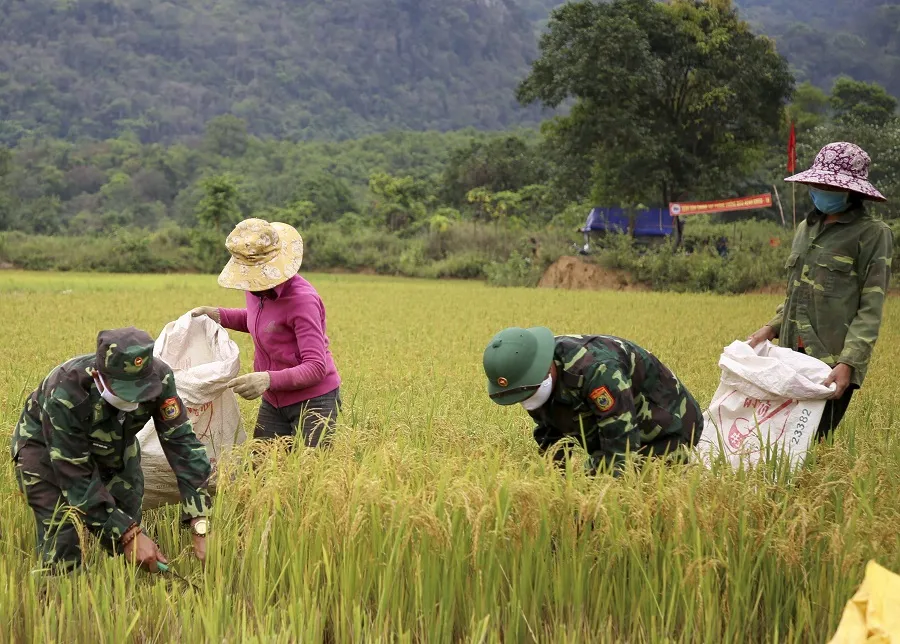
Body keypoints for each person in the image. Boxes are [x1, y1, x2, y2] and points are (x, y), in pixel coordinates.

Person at [10, 327, 212, 575]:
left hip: (115, 441)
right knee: (62, 531)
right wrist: (128, 535)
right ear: (98, 375)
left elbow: (183, 445)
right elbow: (75, 476)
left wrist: (200, 520)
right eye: (124, 390)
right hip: (45, 447)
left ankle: (125, 585)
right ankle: (59, 593)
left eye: (141, 391)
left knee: (128, 509)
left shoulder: (161, 379)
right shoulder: (66, 391)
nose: (133, 400)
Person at [748, 142, 893, 441]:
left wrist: (848, 363)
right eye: (818, 182)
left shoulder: (873, 234)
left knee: (811, 445)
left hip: (830, 363)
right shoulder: (806, 227)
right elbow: (796, 293)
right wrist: (769, 328)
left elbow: (871, 308)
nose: (820, 188)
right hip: (788, 355)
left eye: (829, 184)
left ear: (852, 191)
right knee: (773, 442)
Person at [190, 218, 342, 448]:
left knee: (308, 476)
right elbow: (261, 322)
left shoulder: (302, 301)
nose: (249, 283)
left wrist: (267, 379)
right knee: (260, 472)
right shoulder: (257, 289)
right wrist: (217, 315)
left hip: (314, 402)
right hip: (274, 400)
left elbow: (316, 367)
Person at [483, 327, 703, 476]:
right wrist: (554, 485)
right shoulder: (531, 379)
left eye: (529, 394)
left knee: (634, 489)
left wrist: (591, 503)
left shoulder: (598, 371)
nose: (526, 402)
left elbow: (621, 449)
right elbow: (552, 436)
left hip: (667, 427)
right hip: (617, 425)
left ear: (544, 371)